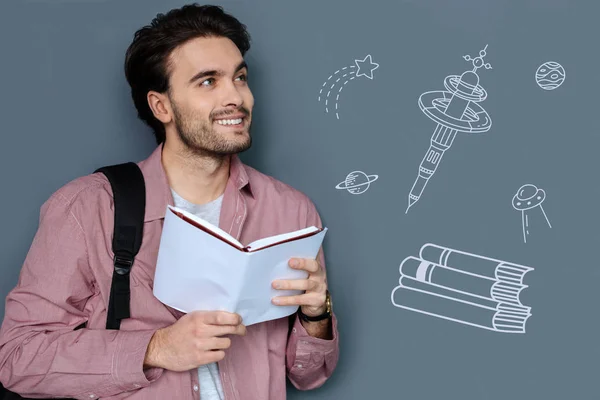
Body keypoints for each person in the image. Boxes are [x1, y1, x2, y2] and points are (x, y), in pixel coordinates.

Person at [0, 3, 339, 399]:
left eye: (240, 77)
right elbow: (16, 358)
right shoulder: (87, 207)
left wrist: (318, 314)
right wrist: (156, 348)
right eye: (208, 82)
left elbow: (308, 376)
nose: (236, 97)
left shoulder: (292, 212)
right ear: (161, 106)